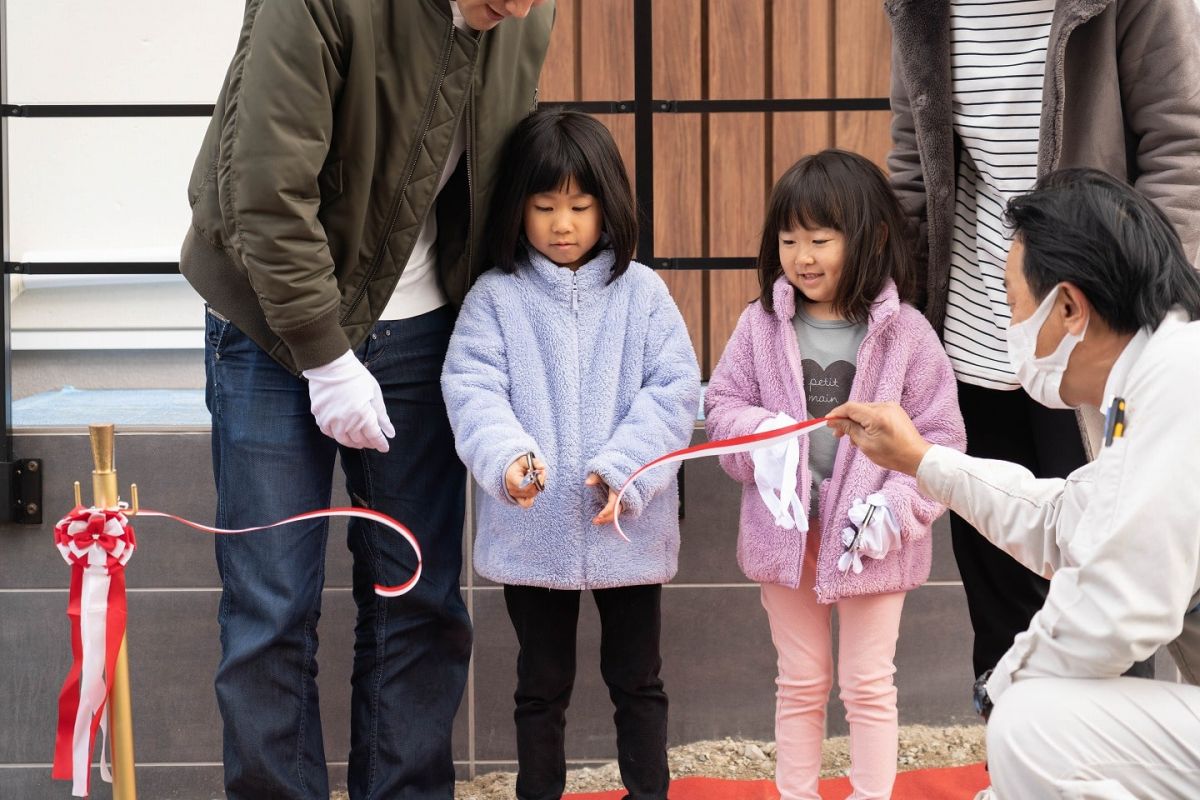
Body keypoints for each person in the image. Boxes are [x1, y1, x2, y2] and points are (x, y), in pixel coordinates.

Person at [178, 2, 553, 797]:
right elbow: (265, 190)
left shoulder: (524, 9)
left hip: (421, 330)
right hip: (272, 326)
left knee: (419, 599)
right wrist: (326, 355)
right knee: (271, 608)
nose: (525, 6)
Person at [830, 169, 1200, 799]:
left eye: (1010, 301)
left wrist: (1005, 686)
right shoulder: (1157, 378)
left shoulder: (1177, 384)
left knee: (1032, 727)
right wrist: (920, 459)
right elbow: (1062, 518)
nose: (1008, 325)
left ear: (1068, 307)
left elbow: (1120, 608)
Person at [886, 0, 1200, 679]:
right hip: (975, 327)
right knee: (999, 599)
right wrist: (892, 321)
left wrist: (1141, 323)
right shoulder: (920, 8)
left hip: (1098, 334)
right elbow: (913, 160)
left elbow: (1182, 146)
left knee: (1114, 583)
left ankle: (1104, 764)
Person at [441, 110, 701, 800]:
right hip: (537, 526)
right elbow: (474, 391)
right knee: (541, 684)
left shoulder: (642, 294)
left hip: (626, 522)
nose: (563, 223)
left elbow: (674, 391)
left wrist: (625, 470)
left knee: (638, 679)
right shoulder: (496, 298)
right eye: (545, 205)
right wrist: (509, 460)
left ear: (606, 203)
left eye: (580, 206)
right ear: (517, 207)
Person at [704, 150, 966, 800]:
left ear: (872, 237)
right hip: (787, 539)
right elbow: (722, 409)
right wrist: (756, 436)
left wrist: (896, 512)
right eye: (789, 239)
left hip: (874, 540)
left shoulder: (906, 335)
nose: (802, 255)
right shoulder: (760, 325)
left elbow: (941, 443)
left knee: (869, 683)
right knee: (800, 680)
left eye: (820, 239)